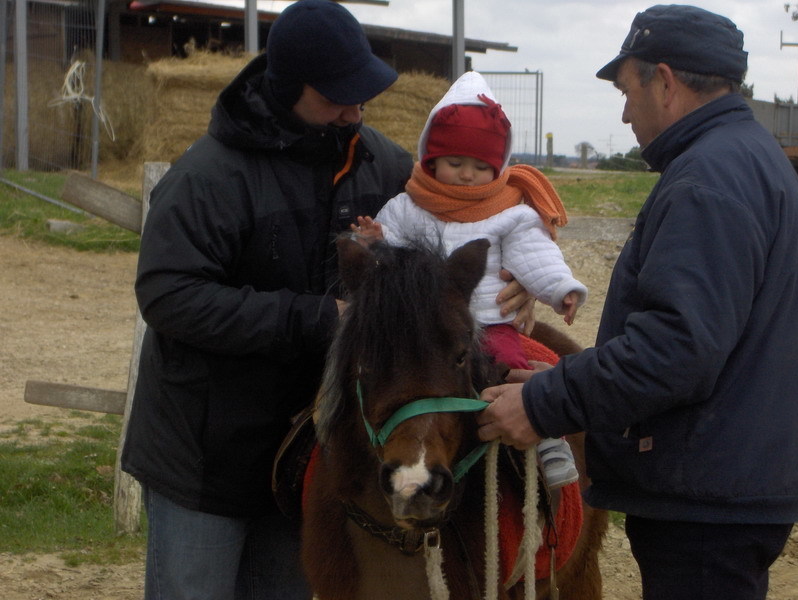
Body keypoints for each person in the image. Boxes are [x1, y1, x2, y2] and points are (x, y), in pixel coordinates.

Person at [120, 1, 533, 599]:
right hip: (205, 453)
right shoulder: (208, 178)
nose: (355, 108)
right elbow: (169, 295)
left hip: (310, 460)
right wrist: (317, 318)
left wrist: (516, 267)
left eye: (359, 92)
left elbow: (469, 207)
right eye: (336, 94)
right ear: (288, 87)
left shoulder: (383, 164)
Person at [475, 5, 798, 600]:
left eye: (628, 90)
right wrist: (562, 378)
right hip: (731, 480)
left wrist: (546, 402)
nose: (624, 112)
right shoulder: (751, 159)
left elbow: (678, 349)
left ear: (666, 81)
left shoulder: (708, 179)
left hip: (703, 502)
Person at [352, 71, 587, 488]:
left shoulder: (510, 210)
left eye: (480, 166)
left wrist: (560, 288)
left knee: (514, 373)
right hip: (422, 329)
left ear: (498, 167)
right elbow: (391, 266)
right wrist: (374, 246)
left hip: (490, 320)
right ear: (430, 158)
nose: (465, 175)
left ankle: (549, 441)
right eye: (455, 163)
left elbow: (535, 255)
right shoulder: (407, 206)